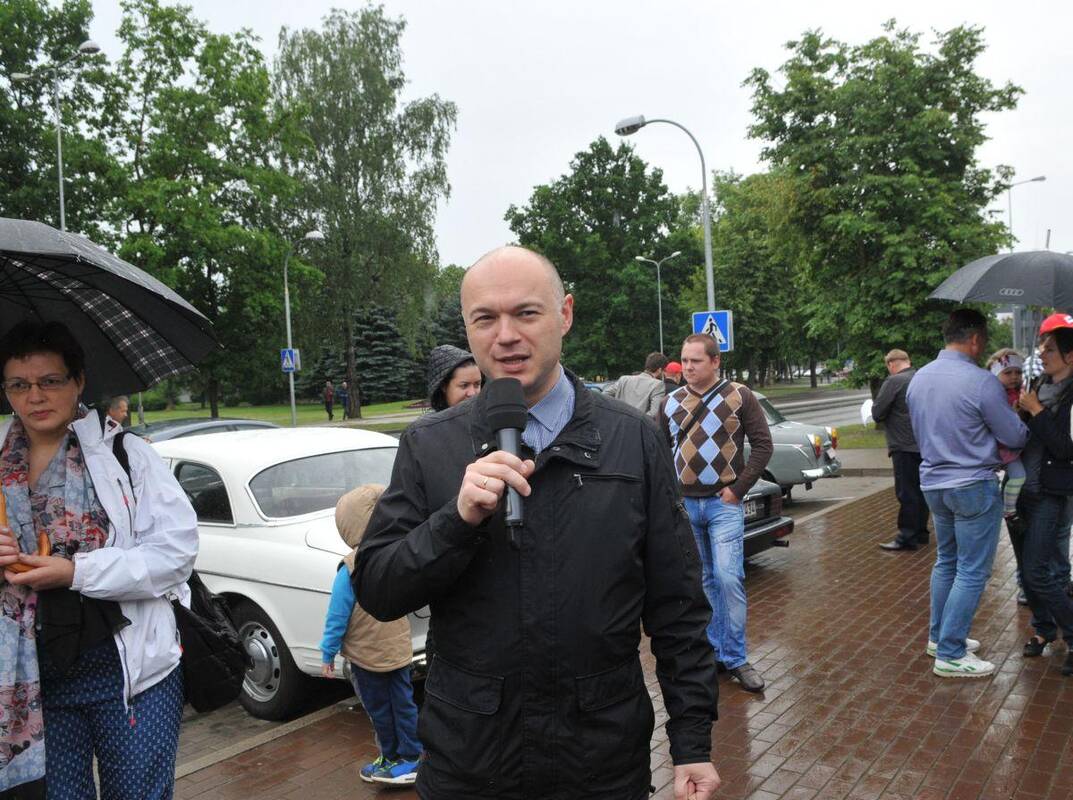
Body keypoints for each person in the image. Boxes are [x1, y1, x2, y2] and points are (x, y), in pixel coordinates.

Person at [355, 246, 720, 800]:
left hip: (600, 763)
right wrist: (456, 520)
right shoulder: (430, 444)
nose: (506, 336)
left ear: (564, 314)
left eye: (526, 313)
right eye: (485, 318)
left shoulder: (633, 439)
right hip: (471, 766)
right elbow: (379, 589)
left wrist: (691, 741)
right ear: (468, 328)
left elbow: (678, 606)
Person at [0, 320, 198, 798]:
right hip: (32, 680)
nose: (35, 397)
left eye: (50, 381)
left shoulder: (126, 456)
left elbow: (175, 553)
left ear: (79, 381)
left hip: (129, 671)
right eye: (19, 385)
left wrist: (76, 572)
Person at [906, 309, 1028, 678]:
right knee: (973, 570)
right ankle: (951, 652)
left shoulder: (918, 379)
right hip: (973, 484)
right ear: (975, 339)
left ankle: (938, 637)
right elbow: (1013, 435)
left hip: (934, 484)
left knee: (947, 561)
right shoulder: (981, 382)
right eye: (984, 339)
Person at [660, 334, 774, 694]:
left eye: (695, 361)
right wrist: (669, 494)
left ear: (715, 362)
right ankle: (714, 653)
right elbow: (657, 451)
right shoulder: (670, 401)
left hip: (723, 504)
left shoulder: (739, 395)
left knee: (728, 577)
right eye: (684, 360)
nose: (687, 367)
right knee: (704, 581)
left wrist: (737, 490)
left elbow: (763, 445)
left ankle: (736, 657)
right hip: (686, 506)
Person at [320, 485, 422, 784]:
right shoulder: (393, 555)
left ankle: (393, 758)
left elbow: (337, 617)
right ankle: (411, 755)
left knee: (380, 709)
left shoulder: (350, 569)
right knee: (403, 704)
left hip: (367, 657)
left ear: (347, 525)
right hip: (398, 649)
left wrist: (327, 652)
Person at [1015, 323, 1073, 676]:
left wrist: (1036, 411)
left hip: (1051, 493)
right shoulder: (1038, 385)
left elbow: (1066, 449)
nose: (1042, 354)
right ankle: (1044, 629)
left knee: (1038, 570)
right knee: (1026, 571)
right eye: (1042, 348)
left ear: (1070, 356)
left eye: (1050, 349)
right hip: (1020, 488)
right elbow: (1025, 436)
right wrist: (1021, 412)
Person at [874, 350, 930, 551]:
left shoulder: (894, 381)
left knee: (907, 492)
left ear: (890, 364)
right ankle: (921, 533)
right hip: (924, 444)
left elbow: (878, 412)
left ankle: (906, 537)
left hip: (903, 445)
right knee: (921, 491)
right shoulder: (922, 377)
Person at [604, 352, 668, 419]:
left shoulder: (624, 379)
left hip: (617, 421)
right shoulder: (658, 385)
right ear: (659, 370)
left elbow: (604, 395)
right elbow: (654, 413)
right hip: (638, 424)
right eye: (664, 370)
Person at [426, 344, 482, 411]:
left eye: (477, 384)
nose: (472, 393)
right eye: (464, 385)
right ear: (444, 386)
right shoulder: (433, 418)